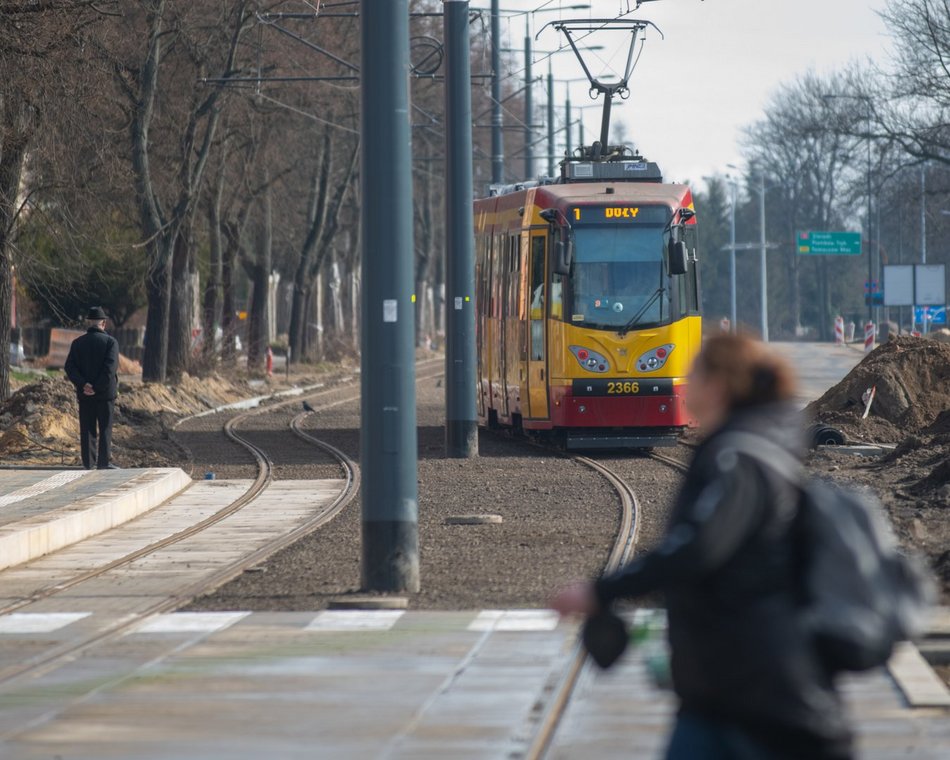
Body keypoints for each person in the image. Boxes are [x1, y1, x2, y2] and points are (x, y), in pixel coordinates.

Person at [551, 335, 853, 760]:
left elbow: (698, 547)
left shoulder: (738, 456)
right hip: (726, 684)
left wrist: (603, 591)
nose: (686, 384)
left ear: (718, 386)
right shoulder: (748, 445)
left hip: (756, 690)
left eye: (694, 374)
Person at [64, 307, 120, 470]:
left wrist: (84, 384)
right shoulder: (111, 343)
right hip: (105, 394)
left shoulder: (77, 343)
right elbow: (110, 368)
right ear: (103, 323)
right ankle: (103, 463)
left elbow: (70, 367)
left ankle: (88, 463)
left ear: (89, 322)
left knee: (87, 428)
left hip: (85, 394)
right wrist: (97, 387)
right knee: (105, 429)